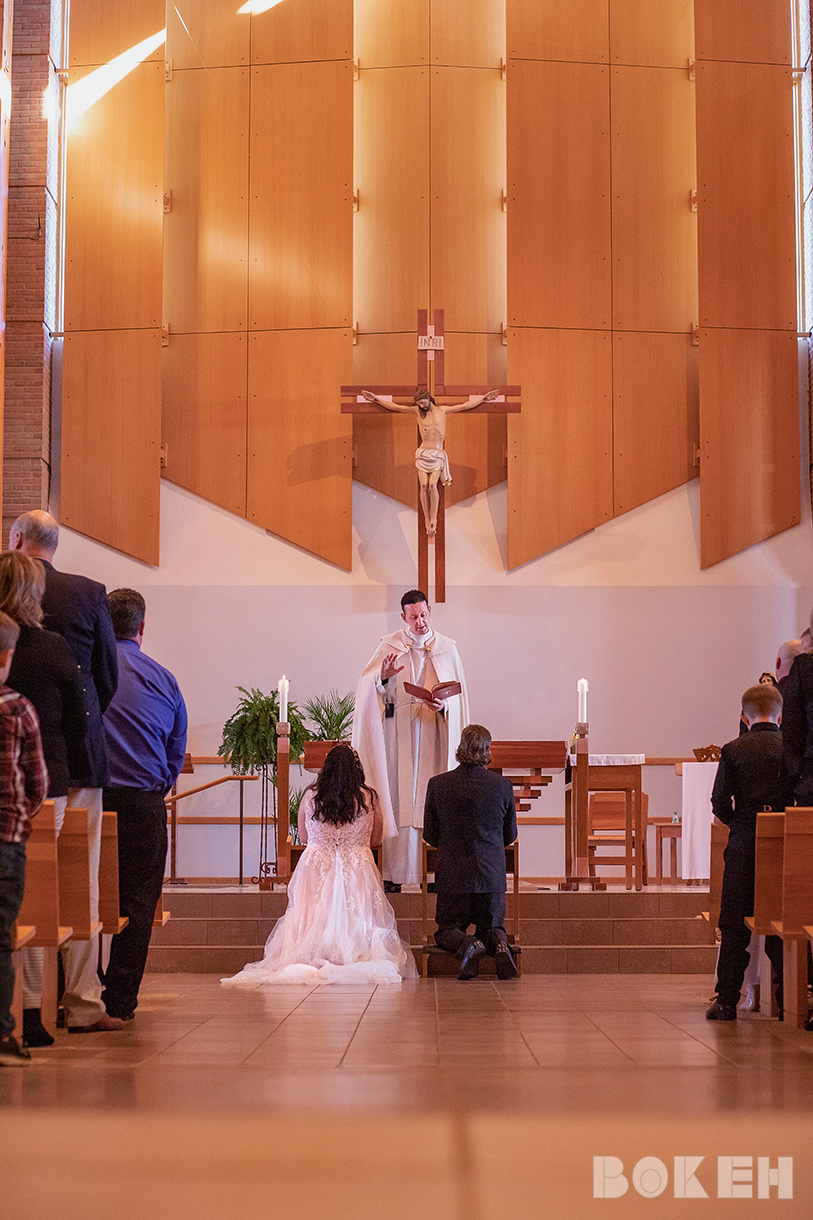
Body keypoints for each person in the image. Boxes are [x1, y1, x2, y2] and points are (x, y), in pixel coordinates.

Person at [9, 509, 120, 1032]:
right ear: (55, 544)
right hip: (77, 756)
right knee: (82, 878)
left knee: (29, 881)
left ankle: (28, 1004)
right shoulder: (87, 592)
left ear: (15, 539)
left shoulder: (5, 592)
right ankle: (81, 1003)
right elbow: (105, 677)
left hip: (14, 761)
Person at [222, 745, 417, 986]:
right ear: (356, 769)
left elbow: (304, 836)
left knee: (313, 913)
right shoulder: (369, 797)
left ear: (326, 769)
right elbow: (376, 839)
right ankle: (356, 955)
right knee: (359, 914)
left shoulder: (311, 796)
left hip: (317, 863)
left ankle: (312, 954)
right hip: (357, 864)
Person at [0, 552, 91, 1047]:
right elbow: (80, 718)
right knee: (33, 897)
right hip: (40, 787)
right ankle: (32, 1012)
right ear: (35, 593)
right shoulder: (54, 647)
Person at [100, 589, 187, 1022]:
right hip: (142, 804)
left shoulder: (88, 670)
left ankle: (74, 993)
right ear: (142, 627)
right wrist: (155, 787)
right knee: (137, 903)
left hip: (90, 802)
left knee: (75, 896)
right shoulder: (163, 679)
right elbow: (175, 749)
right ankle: (119, 1001)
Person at [352, 589, 469, 891]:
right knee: (397, 797)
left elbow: (460, 700)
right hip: (398, 735)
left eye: (424, 615)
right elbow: (367, 687)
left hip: (433, 735)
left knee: (432, 799)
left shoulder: (446, 648)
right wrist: (383, 677)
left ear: (430, 611)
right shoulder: (389, 646)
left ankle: (433, 876)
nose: (420, 622)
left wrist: (444, 706)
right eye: (414, 616)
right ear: (403, 617)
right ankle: (394, 874)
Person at [706, 684, 785, 1021]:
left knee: (734, 921)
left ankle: (727, 1000)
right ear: (781, 716)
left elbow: (719, 802)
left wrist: (740, 823)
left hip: (744, 840)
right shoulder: (790, 749)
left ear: (743, 716)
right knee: (784, 920)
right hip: (783, 840)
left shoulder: (733, 749)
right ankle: (788, 999)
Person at [423, 723, 517, 981]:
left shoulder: (438, 784)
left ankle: (469, 945)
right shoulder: (502, 786)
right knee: (492, 927)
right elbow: (510, 835)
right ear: (487, 750)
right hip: (491, 876)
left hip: (453, 875)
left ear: (460, 747)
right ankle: (500, 946)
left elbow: (429, 833)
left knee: (446, 930)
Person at [0, 610, 48, 1066]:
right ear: (7, 656)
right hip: (5, 841)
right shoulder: (17, 708)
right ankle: (1, 1034)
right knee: (1, 936)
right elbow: (37, 784)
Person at [360, 387, 500, 535]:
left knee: (432, 484)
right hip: (423, 453)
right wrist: (376, 399)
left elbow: (464, 406)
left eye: (422, 402)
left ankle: (434, 518)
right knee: (423, 485)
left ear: (428, 398)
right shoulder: (417, 412)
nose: (421, 406)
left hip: (437, 454)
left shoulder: (443, 411)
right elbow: (396, 407)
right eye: (419, 404)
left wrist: (484, 398)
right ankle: (427, 518)